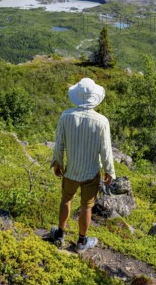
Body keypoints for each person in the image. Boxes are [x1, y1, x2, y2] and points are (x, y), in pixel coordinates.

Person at [50, 77, 116, 252]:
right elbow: (106, 150)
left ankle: (60, 234)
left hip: (71, 170)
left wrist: (57, 162)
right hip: (91, 172)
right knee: (87, 206)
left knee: (66, 199)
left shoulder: (66, 116)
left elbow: (59, 144)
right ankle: (81, 242)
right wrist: (109, 170)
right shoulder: (102, 121)